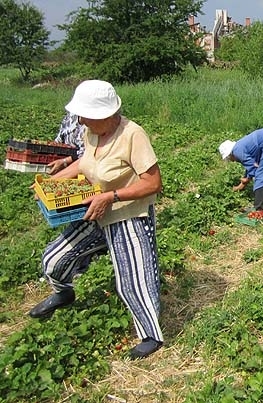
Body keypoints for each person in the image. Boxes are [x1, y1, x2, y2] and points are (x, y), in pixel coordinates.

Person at [28, 80, 165, 360]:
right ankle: (63, 294)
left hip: (128, 214)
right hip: (93, 210)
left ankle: (151, 335)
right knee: (54, 259)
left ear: (106, 115)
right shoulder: (91, 132)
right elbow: (83, 163)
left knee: (133, 280)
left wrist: (111, 197)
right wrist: (51, 183)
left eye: (85, 115)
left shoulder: (132, 135)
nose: (80, 120)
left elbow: (153, 183)